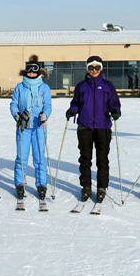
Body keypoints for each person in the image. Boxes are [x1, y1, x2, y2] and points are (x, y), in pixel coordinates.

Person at [65, 56, 121, 203]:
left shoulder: (108, 86)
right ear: (87, 69)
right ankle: (86, 187)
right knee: (85, 159)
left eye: (97, 67)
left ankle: (102, 187)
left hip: (103, 127)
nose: (94, 70)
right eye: (91, 67)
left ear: (101, 68)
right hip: (85, 127)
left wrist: (115, 111)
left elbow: (114, 102)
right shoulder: (81, 86)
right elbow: (76, 102)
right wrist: (72, 110)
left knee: (102, 159)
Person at [9, 55, 52, 206]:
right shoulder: (20, 87)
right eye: (29, 72)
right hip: (24, 127)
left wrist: (44, 115)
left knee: (40, 157)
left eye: (34, 72)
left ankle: (41, 184)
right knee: (22, 157)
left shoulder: (44, 87)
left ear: (38, 72)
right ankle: (20, 184)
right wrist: (17, 115)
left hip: (39, 127)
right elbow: (14, 104)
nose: (31, 74)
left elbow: (47, 105)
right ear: (26, 72)